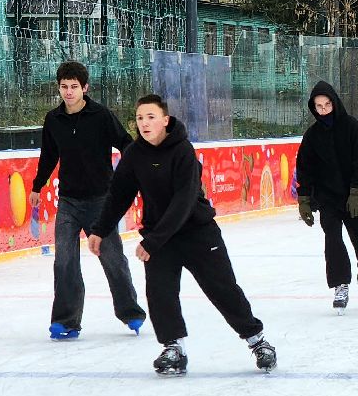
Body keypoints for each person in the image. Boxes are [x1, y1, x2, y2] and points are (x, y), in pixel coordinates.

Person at [88, 95, 275, 376]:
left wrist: (153, 240)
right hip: (160, 237)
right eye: (140, 118)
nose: (144, 123)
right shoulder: (135, 155)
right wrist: (100, 230)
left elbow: (184, 201)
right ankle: (173, 348)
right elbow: (119, 195)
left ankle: (257, 341)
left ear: (165, 120)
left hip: (197, 233)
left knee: (223, 290)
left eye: (151, 117)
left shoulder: (182, 151)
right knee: (160, 293)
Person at [30, 61, 146, 341]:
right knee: (64, 262)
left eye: (74, 87)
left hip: (101, 201)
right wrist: (37, 186)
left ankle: (131, 312)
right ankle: (66, 320)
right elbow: (49, 156)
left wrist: (139, 173)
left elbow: (125, 143)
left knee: (112, 258)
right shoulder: (53, 119)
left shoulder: (101, 116)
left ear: (85, 88)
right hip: (68, 201)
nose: (68, 92)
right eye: (64, 87)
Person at [295, 80, 358, 314]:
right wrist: (304, 200)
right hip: (328, 199)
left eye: (327, 104)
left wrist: (356, 193)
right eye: (319, 106)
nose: (324, 110)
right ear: (313, 108)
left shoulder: (352, 127)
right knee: (333, 241)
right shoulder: (312, 136)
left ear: (335, 102)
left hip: (354, 197)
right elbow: (305, 169)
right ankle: (340, 285)